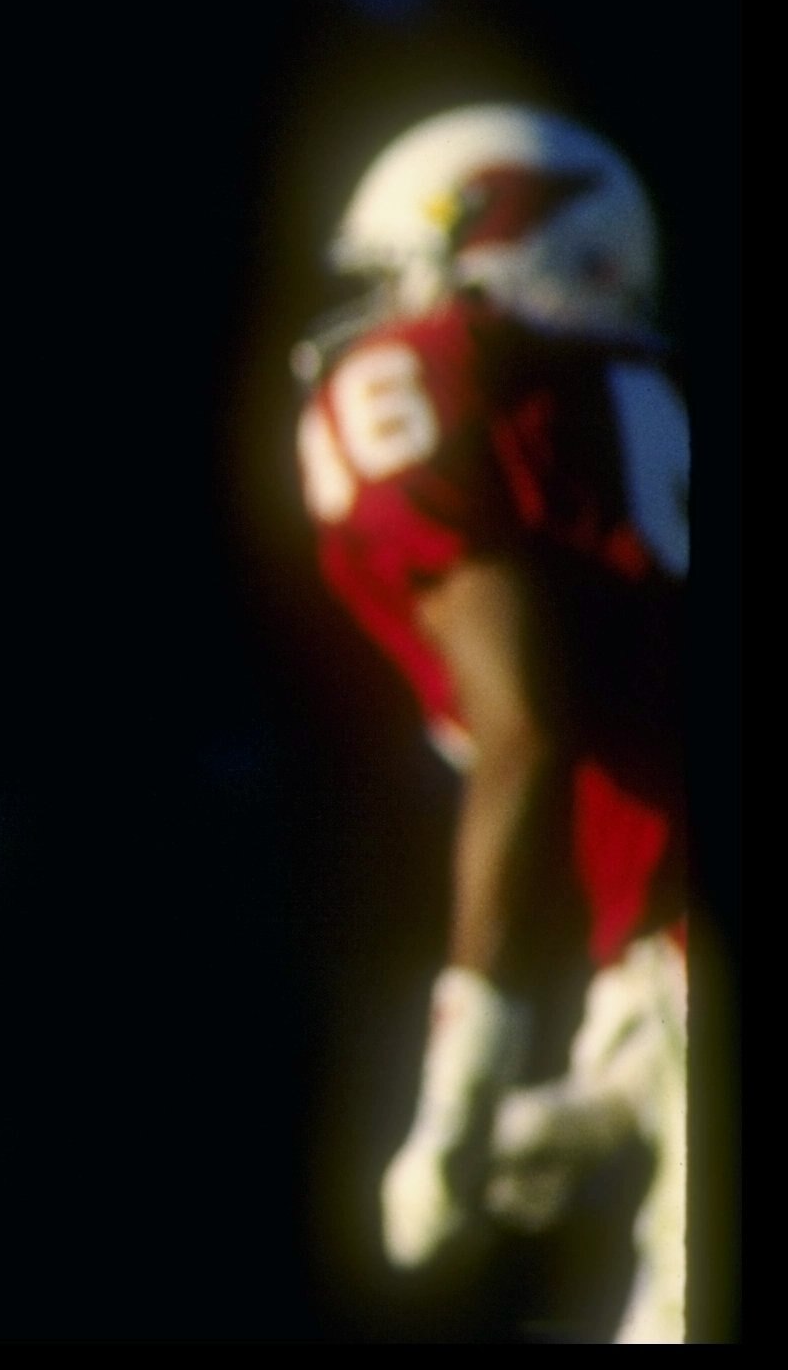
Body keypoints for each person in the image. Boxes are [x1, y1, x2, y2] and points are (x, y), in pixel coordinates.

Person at [291, 104, 689, 1342]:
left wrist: (462, 1077)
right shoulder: (625, 401)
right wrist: (626, 1066)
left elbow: (525, 729)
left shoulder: (449, 374)